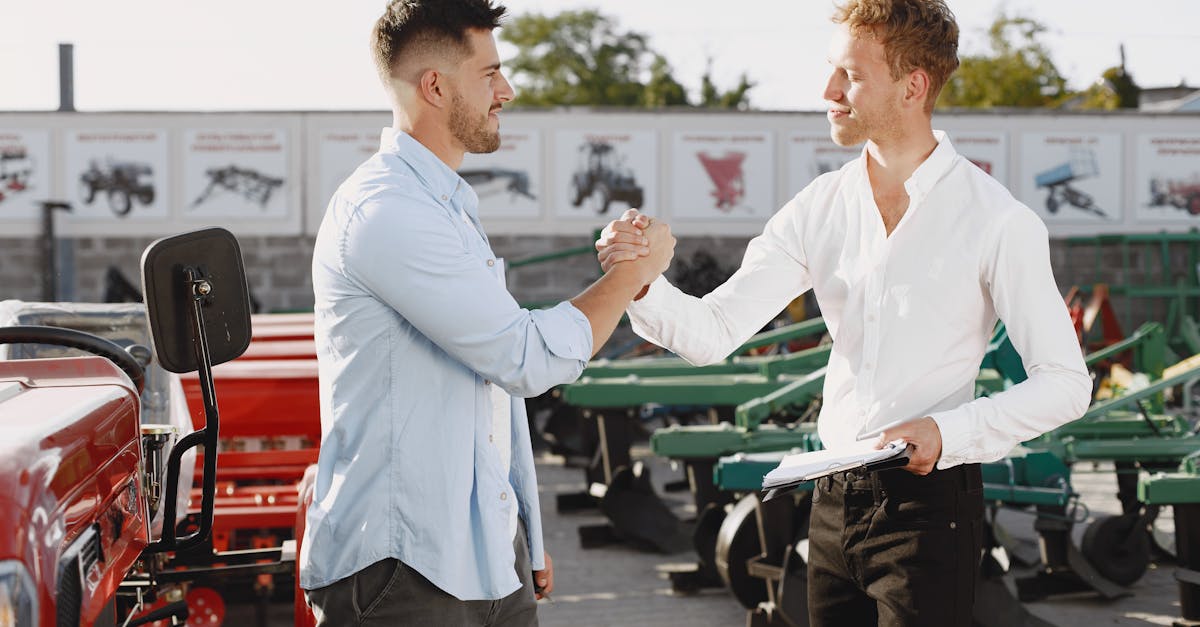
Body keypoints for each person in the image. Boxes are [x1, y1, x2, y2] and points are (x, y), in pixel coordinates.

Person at [596, 1, 1091, 625]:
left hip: (930, 510)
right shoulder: (818, 207)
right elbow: (713, 332)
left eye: (850, 75)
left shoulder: (997, 219)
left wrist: (949, 432)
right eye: (833, 71)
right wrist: (639, 280)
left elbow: (1066, 385)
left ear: (914, 86)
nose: (828, 91)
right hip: (830, 502)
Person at [299, 1, 675, 625]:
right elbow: (522, 358)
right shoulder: (388, 211)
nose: (508, 90)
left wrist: (520, 529)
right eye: (490, 73)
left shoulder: (443, 206)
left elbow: (490, 391)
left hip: (481, 563)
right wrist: (634, 271)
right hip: (404, 573)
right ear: (436, 86)